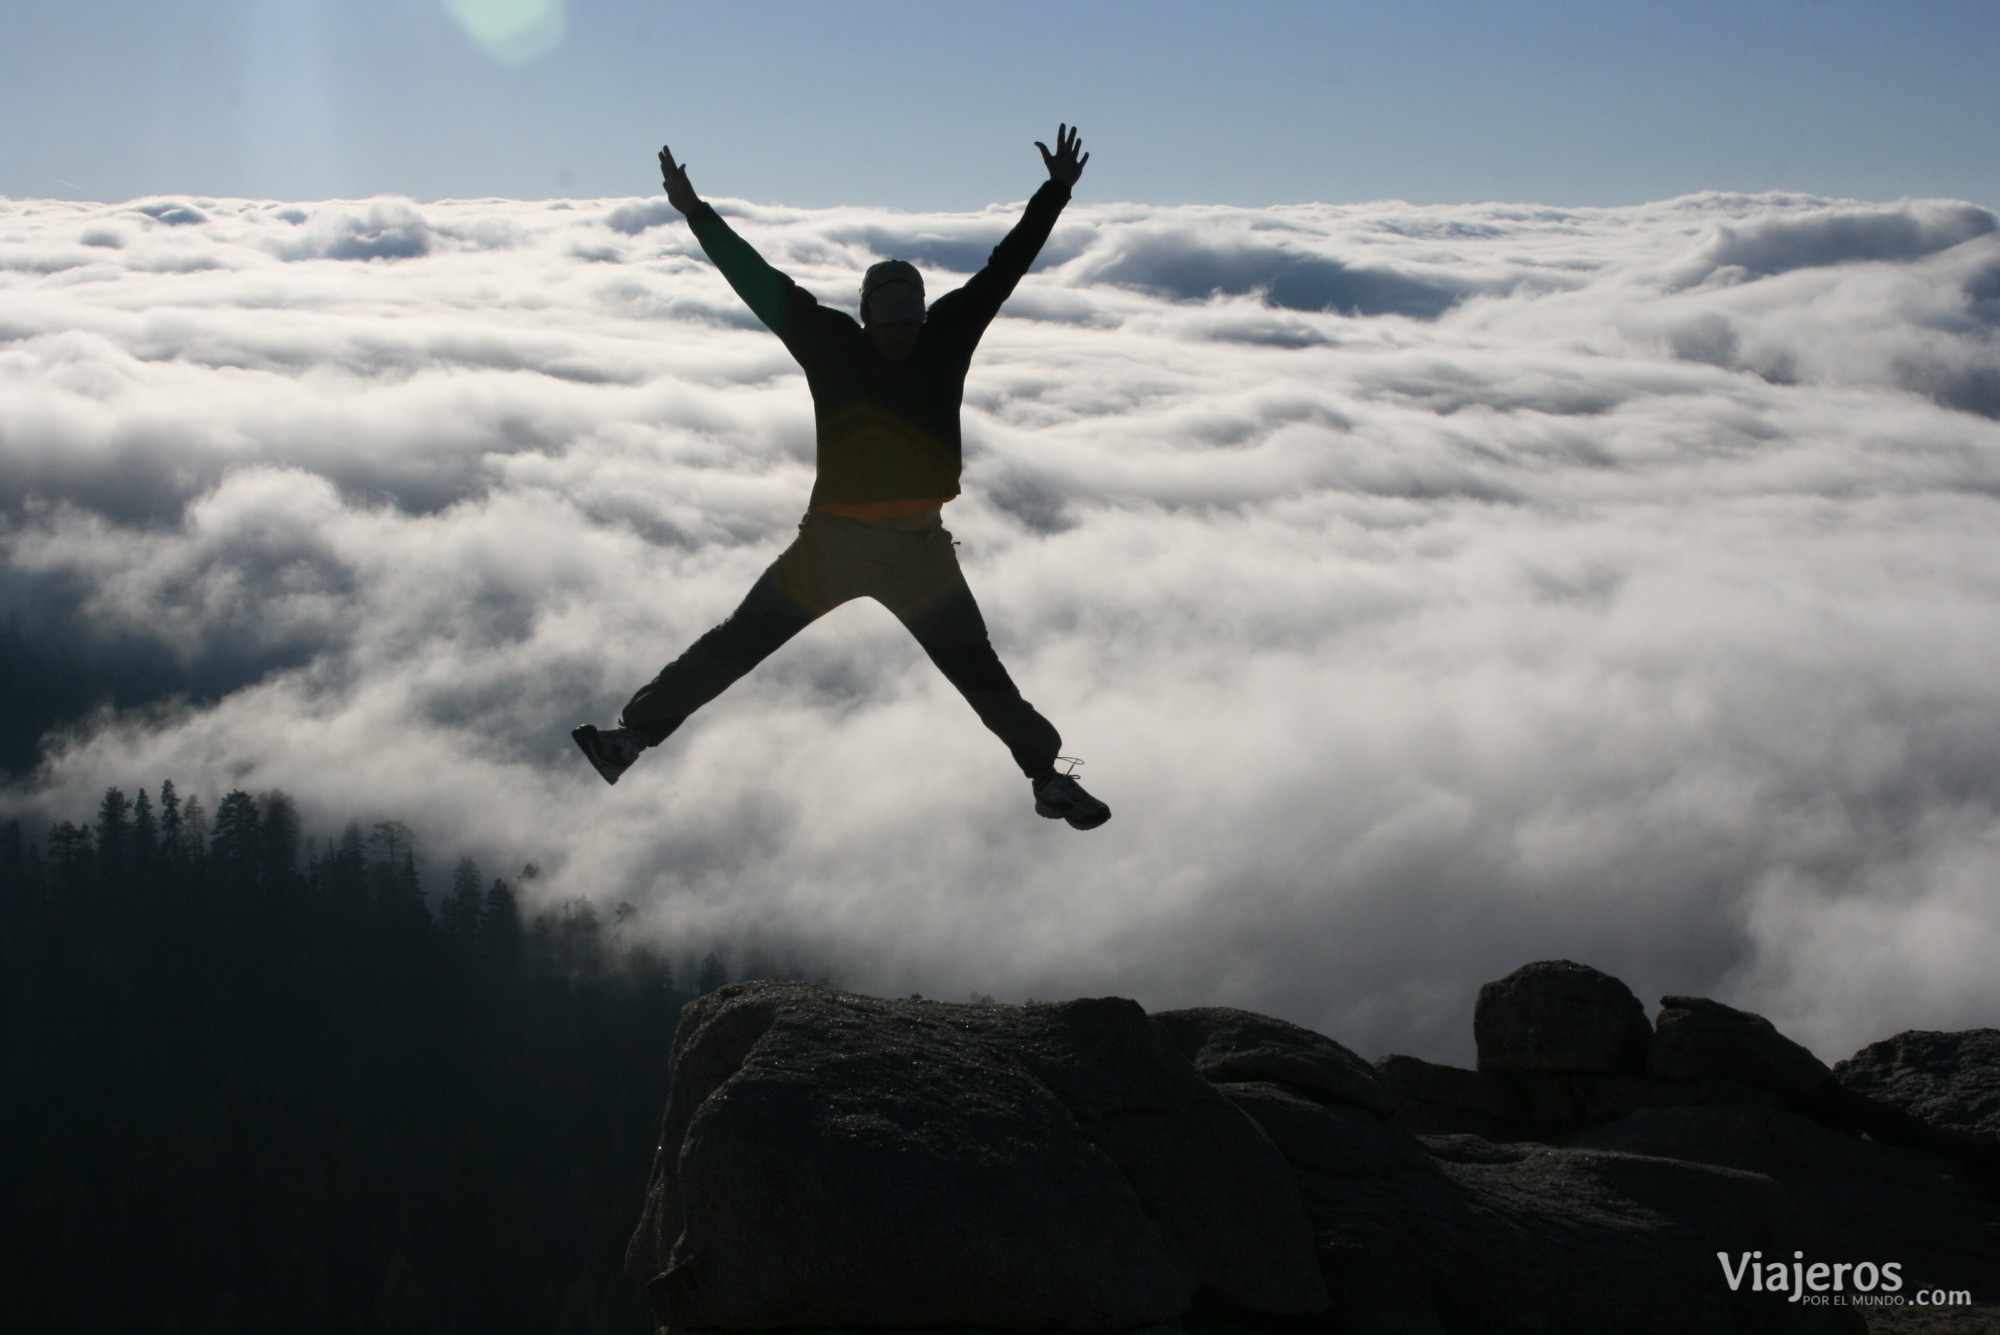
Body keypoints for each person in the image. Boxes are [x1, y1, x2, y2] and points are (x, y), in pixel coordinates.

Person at [572, 124, 1110, 830]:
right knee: (751, 643)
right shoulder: (879, 340)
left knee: (970, 674)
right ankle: (631, 737)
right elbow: (760, 281)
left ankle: (1046, 777)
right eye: (891, 322)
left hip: (895, 548)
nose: (899, 333)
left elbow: (1002, 268)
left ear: (912, 314)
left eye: (907, 321)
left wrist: (1055, 194)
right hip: (861, 547)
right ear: (869, 317)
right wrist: (694, 213)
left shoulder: (901, 337)